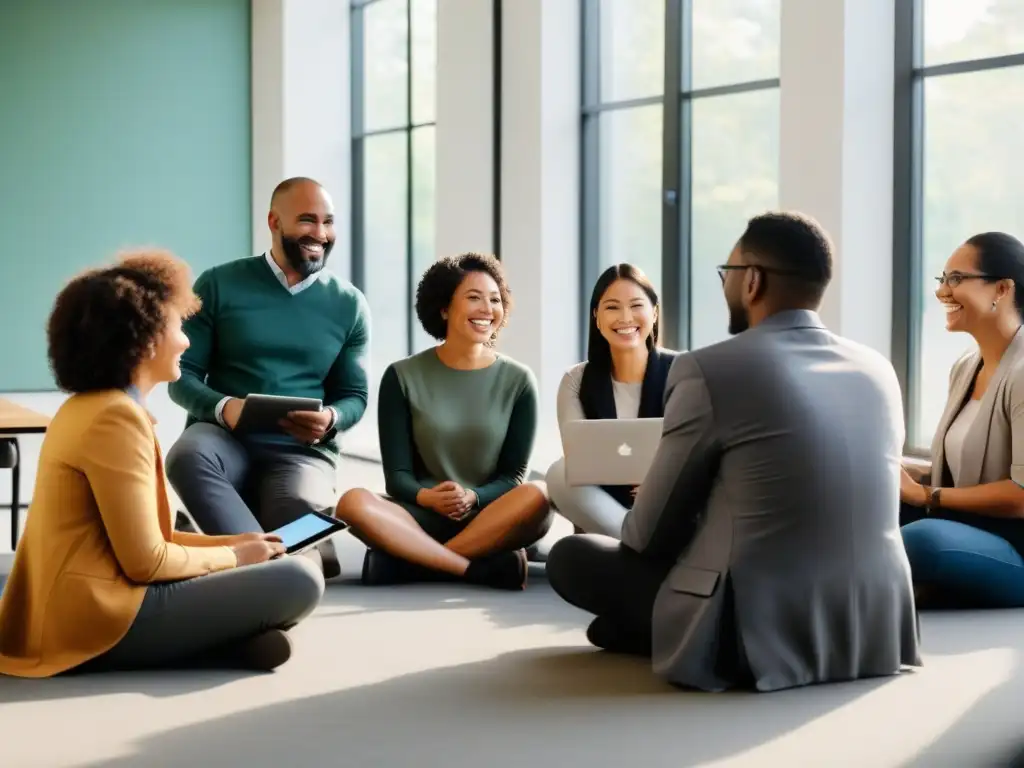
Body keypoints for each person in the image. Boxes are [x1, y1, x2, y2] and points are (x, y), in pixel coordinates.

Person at [546, 212, 921, 692]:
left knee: (571, 556)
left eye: (728, 274)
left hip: (755, 622)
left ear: (753, 282)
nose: (725, 286)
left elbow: (646, 535)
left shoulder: (710, 369)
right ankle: (650, 627)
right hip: (872, 621)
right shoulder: (878, 367)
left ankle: (665, 631)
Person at [0, 251, 324, 677]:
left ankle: (237, 638)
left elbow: (145, 541)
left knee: (272, 561)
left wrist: (238, 544)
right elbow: (147, 563)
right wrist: (235, 558)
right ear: (146, 338)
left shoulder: (89, 407)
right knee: (300, 579)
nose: (186, 341)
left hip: (74, 604)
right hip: (97, 619)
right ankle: (232, 639)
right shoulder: (114, 418)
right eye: (178, 326)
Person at [165, 177, 371, 579]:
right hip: (223, 437)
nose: (320, 233)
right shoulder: (218, 284)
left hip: (302, 452)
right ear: (274, 221)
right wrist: (224, 408)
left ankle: (217, 545)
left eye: (328, 222)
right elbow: (181, 375)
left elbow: (354, 395)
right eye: (307, 220)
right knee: (186, 457)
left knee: (293, 507)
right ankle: (283, 563)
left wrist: (331, 419)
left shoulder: (349, 304)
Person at [334, 253, 552, 590]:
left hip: (490, 515)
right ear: (444, 308)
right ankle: (470, 567)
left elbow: (513, 477)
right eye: (474, 297)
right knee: (352, 503)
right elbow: (398, 477)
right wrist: (427, 497)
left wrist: (473, 496)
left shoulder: (519, 380)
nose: (487, 309)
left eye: (494, 299)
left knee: (538, 495)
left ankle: (416, 563)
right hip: (420, 516)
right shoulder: (401, 376)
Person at [900, 232, 1024, 609]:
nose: (942, 293)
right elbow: (962, 468)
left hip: (1015, 543)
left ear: (1001, 289)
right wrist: (902, 470)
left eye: (956, 279)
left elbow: (1021, 496)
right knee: (858, 503)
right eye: (942, 279)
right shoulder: (965, 367)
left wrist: (926, 495)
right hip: (974, 527)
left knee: (922, 541)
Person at [545, 264, 679, 536]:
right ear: (596, 316)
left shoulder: (684, 369)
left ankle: (633, 550)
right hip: (606, 506)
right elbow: (581, 461)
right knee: (560, 474)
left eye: (636, 305)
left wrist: (659, 484)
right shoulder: (576, 380)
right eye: (612, 307)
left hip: (670, 502)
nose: (625, 317)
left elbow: (699, 451)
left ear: (654, 312)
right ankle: (638, 545)